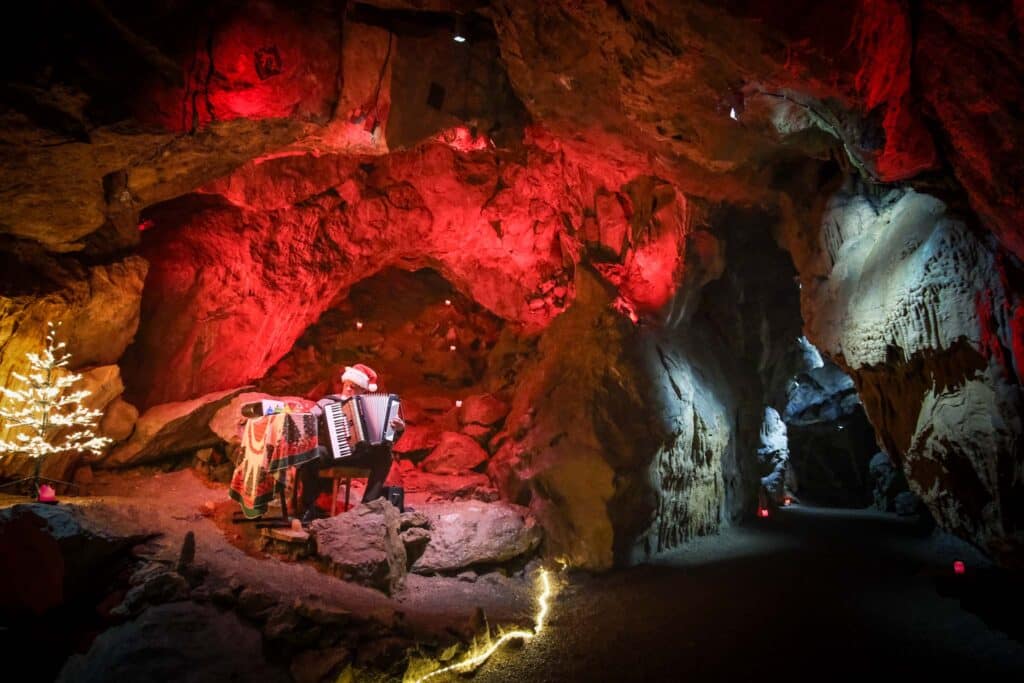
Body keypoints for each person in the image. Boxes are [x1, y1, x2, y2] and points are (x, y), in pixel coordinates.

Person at [298, 363, 405, 525]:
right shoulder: (328, 402)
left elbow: (388, 439)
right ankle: (308, 507)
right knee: (311, 453)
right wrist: (312, 419)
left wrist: (398, 429)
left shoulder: (368, 406)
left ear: (363, 391)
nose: (348, 389)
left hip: (358, 455)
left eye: (354, 387)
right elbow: (308, 418)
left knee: (384, 455)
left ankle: (367, 506)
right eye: (347, 385)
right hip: (332, 452)